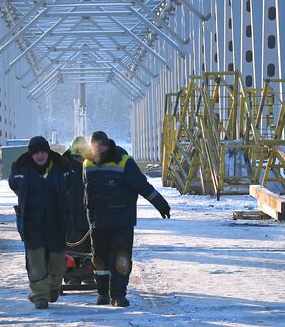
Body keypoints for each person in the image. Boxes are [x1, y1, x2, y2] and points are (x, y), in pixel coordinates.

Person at [83, 131, 171, 307]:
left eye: (102, 145)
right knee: (99, 259)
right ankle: (102, 294)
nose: (98, 148)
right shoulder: (87, 163)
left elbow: (142, 185)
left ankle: (118, 295)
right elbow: (85, 191)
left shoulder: (123, 161)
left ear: (108, 145)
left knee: (121, 258)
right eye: (95, 146)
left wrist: (160, 204)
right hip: (98, 221)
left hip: (121, 220)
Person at [9, 136, 72, 309]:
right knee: (36, 261)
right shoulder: (21, 168)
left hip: (56, 222)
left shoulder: (61, 167)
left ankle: (52, 286)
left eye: (43, 151)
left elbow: (68, 186)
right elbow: (13, 185)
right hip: (32, 223)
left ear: (48, 151)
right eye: (36, 152)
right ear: (31, 154)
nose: (40, 156)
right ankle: (39, 295)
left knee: (57, 262)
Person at [62, 136, 93, 285]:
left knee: (89, 248)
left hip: (88, 216)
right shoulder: (64, 169)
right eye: (77, 157)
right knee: (71, 249)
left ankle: (88, 275)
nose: (80, 160)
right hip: (70, 217)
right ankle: (71, 276)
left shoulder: (92, 167)